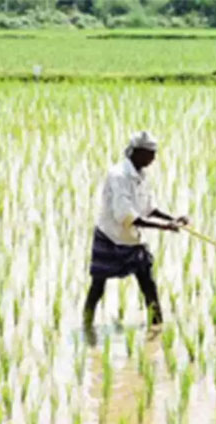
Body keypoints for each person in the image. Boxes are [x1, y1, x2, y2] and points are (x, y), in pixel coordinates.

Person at [83, 131, 188, 343]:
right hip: (111, 236)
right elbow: (126, 215)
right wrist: (165, 227)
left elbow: (147, 208)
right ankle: (87, 325)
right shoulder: (118, 176)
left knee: (148, 281)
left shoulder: (141, 175)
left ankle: (157, 326)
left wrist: (172, 218)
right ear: (137, 153)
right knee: (98, 285)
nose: (153, 159)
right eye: (150, 154)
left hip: (132, 239)